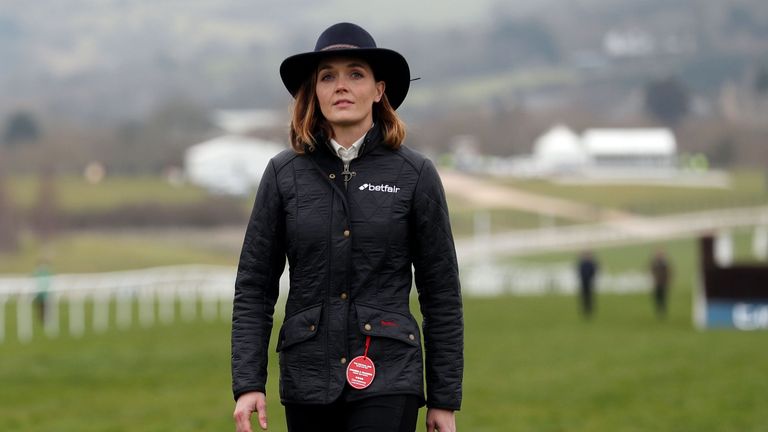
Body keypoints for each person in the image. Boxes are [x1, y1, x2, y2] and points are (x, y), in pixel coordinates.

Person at [231, 22, 463, 432]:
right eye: (328, 77)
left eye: (356, 74)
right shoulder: (283, 175)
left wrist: (444, 399)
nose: (341, 86)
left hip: (390, 375)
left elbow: (441, 292)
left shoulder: (415, 174)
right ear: (314, 92)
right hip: (306, 378)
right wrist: (249, 382)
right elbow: (254, 286)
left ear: (378, 90)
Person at [649, 248, 672, 319]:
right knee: (657, 298)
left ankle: (663, 311)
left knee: (663, 298)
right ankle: (658, 311)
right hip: (656, 283)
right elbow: (651, 271)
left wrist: (668, 281)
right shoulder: (654, 263)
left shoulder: (665, 263)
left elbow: (669, 272)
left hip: (663, 283)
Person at [577, 250, 598, 318]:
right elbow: (579, 271)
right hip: (583, 282)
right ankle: (585, 309)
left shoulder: (591, 263)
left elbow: (594, 271)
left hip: (589, 282)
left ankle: (590, 309)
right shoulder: (582, 263)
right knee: (584, 296)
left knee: (590, 296)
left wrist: (591, 277)